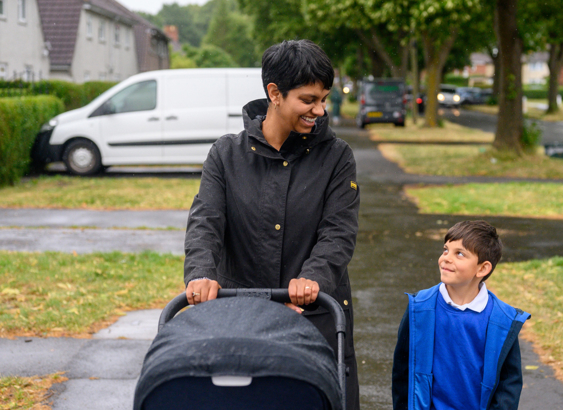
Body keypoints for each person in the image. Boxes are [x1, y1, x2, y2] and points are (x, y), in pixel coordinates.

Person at [183, 39, 360, 410]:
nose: (320, 110)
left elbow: (338, 232)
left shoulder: (337, 157)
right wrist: (201, 272)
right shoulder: (226, 155)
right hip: (240, 317)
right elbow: (206, 222)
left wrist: (314, 277)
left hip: (316, 317)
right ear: (274, 93)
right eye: (309, 100)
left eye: (323, 98)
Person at [392, 220, 531, 410]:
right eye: (445, 250)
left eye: (459, 254)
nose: (446, 258)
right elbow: (402, 372)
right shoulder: (420, 307)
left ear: (482, 268)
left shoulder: (503, 321)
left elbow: (509, 384)